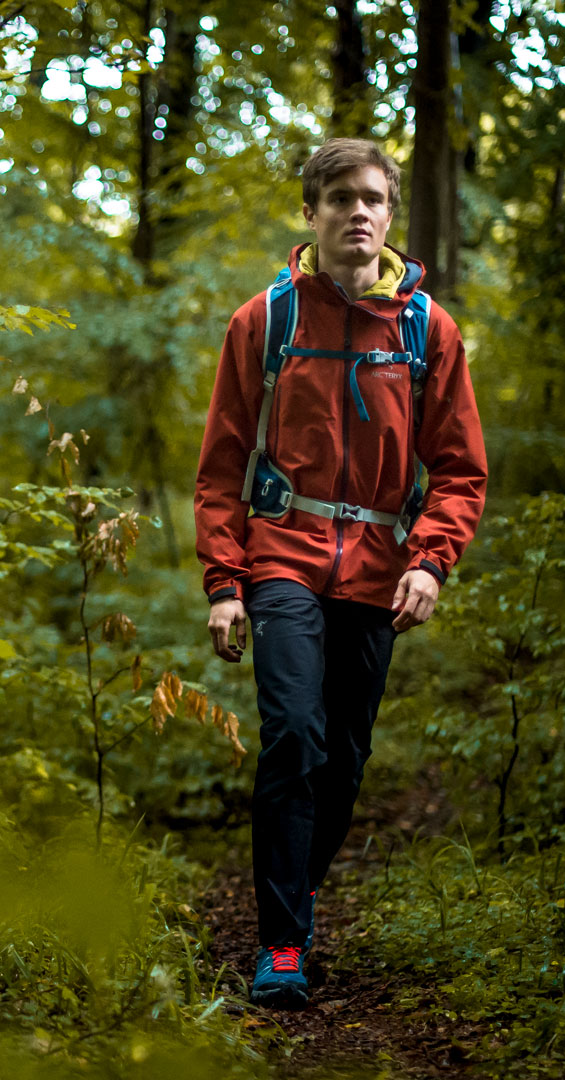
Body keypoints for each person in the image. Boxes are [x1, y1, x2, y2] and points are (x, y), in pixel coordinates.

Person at [193, 138, 487, 1009]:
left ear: (390, 214)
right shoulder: (265, 322)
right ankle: (282, 944)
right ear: (312, 213)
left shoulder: (428, 330)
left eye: (372, 199)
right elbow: (220, 468)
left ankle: (300, 883)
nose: (357, 212)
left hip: (379, 573)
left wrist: (431, 562)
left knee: (345, 758)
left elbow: (459, 469)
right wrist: (224, 583)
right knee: (292, 732)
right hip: (281, 558)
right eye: (338, 199)